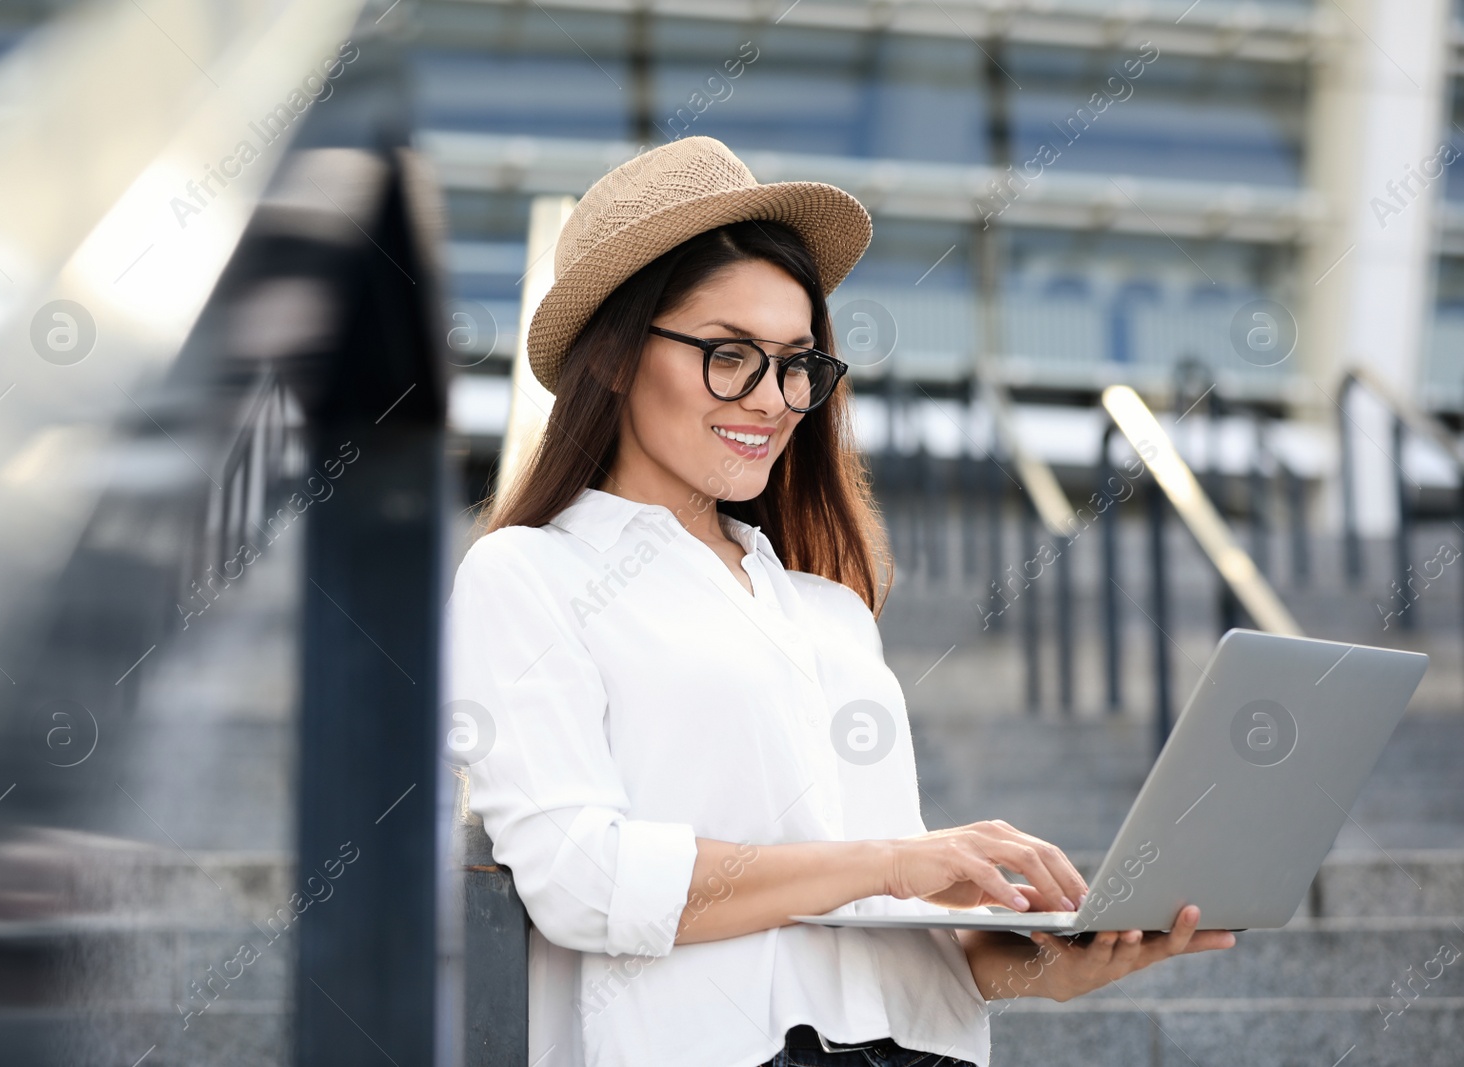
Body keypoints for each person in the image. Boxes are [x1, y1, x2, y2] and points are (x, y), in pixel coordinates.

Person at [442, 136, 1233, 1067]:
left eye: (796, 364)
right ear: (614, 356)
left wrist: (1043, 966)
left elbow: (867, 916)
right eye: (729, 354)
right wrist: (896, 861)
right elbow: (584, 879)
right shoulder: (530, 575)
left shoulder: (827, 608)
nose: (774, 399)